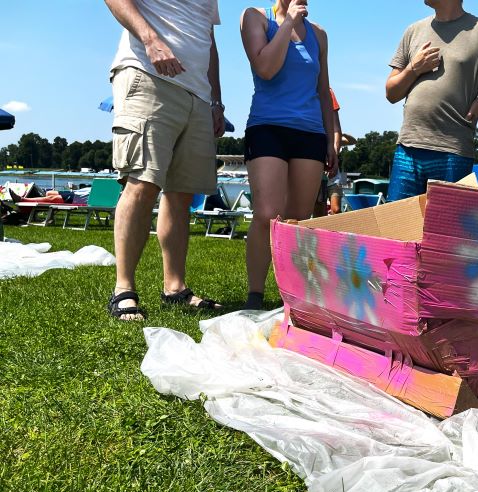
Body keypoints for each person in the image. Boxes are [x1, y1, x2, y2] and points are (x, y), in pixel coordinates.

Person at [104, 0, 226, 321]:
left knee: (181, 194)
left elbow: (208, 40)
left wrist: (216, 100)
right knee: (142, 183)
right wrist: (150, 39)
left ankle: (175, 288)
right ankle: (123, 290)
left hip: (198, 94)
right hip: (147, 73)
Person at [385, 0, 478, 202]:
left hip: (452, 152)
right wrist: (414, 68)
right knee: (398, 231)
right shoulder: (413, 31)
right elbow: (391, 94)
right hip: (407, 148)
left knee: (445, 231)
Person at [241, 0, 336, 310]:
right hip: (268, 126)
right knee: (268, 214)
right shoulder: (256, 17)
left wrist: (331, 138)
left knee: (298, 219)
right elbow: (265, 69)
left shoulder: (319, 34)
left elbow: (324, 91)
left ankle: (291, 298)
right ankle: (255, 295)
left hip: (310, 131)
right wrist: (287, 23)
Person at [313, 89, 343, 217]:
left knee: (336, 210)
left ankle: (336, 236)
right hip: (313, 160)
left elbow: (336, 129)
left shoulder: (328, 91)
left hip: (330, 161)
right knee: (319, 206)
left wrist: (334, 154)